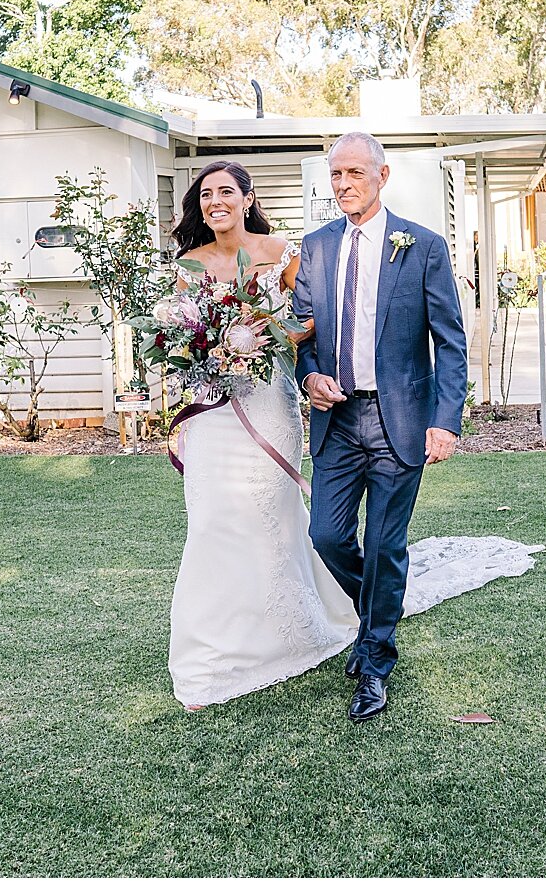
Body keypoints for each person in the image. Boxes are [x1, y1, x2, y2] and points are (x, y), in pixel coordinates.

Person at [166, 161, 358, 710]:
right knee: (210, 523)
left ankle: (285, 631)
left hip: (268, 400)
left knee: (268, 517)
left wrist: (264, 335)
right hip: (211, 408)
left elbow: (314, 315)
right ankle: (209, 653)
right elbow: (177, 336)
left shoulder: (280, 253)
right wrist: (206, 351)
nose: (214, 202)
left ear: (247, 199)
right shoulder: (187, 265)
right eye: (206, 195)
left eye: (226, 191)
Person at [293, 131, 469, 722]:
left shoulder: (422, 246)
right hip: (337, 421)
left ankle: (373, 661)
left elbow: (450, 341)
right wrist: (310, 376)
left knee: (387, 545)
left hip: (401, 420)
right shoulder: (314, 248)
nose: (343, 185)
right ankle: (376, 617)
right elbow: (302, 335)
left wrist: (446, 422)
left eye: (354, 175)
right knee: (327, 536)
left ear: (381, 177)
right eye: (335, 175)